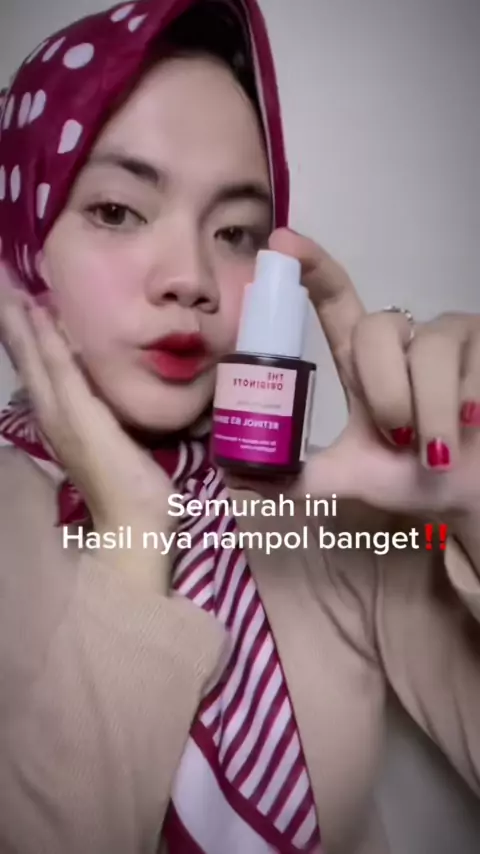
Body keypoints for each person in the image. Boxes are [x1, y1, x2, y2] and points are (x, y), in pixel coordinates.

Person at [0, 1, 479, 852]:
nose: (191, 277)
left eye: (234, 232)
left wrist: (471, 510)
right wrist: (134, 540)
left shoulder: (329, 520)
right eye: (118, 211)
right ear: (23, 235)